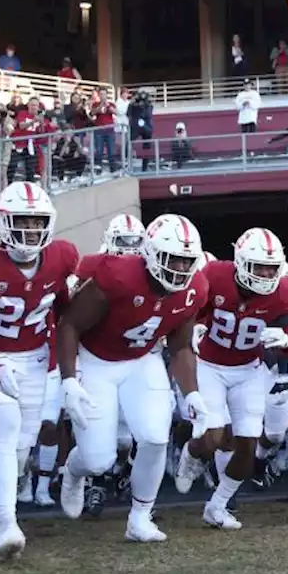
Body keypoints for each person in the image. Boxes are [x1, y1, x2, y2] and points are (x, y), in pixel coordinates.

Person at [56, 214, 209, 542]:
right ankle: (73, 470)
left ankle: (139, 518)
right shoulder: (117, 275)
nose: (181, 269)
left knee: (155, 437)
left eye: (187, 261)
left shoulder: (196, 287)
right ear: (151, 254)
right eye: (174, 260)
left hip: (142, 360)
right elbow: (70, 324)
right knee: (99, 460)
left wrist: (192, 393)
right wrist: (69, 378)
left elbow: (180, 345)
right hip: (97, 361)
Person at [0, 182, 79, 556]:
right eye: (23, 220)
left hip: (35, 359)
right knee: (5, 426)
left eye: (38, 222)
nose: (31, 230)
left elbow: (67, 313)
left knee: (20, 448)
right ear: (4, 222)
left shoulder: (62, 257)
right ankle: (6, 521)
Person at [175, 228, 288, 530]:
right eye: (260, 266)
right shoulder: (215, 276)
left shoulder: (283, 292)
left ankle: (217, 506)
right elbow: (189, 312)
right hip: (209, 365)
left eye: (272, 267)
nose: (267, 274)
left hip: (249, 370)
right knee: (214, 436)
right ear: (241, 263)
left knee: (247, 444)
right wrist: (196, 328)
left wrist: (284, 340)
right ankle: (191, 455)